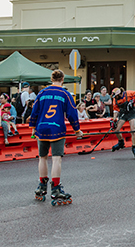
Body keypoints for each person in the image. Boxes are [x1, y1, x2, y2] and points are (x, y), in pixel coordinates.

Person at [29, 69, 82, 205]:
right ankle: (56, 188)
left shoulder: (42, 93)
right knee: (56, 158)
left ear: (51, 79)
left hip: (41, 128)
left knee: (43, 157)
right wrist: (77, 130)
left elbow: (34, 111)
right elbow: (72, 113)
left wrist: (33, 128)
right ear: (62, 79)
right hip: (56, 128)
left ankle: (42, 185)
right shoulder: (65, 94)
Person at [111, 87, 135, 159]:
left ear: (119, 94)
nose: (115, 98)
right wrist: (114, 120)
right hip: (123, 113)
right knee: (116, 130)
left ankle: (134, 147)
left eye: (116, 96)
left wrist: (133, 101)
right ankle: (121, 142)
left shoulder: (128, 93)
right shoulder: (115, 100)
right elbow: (115, 110)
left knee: (132, 130)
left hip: (131, 113)